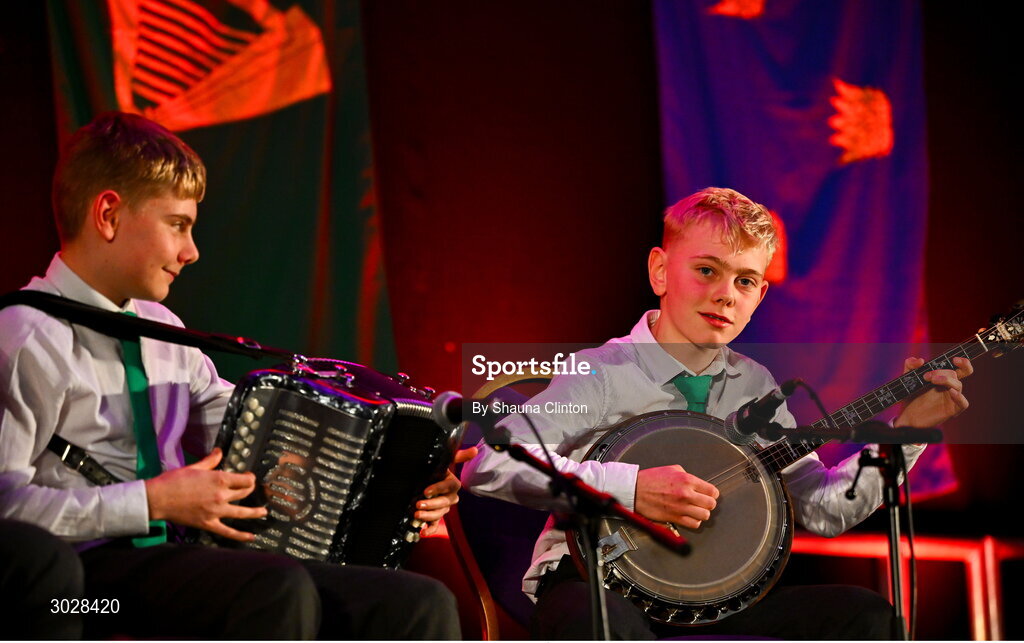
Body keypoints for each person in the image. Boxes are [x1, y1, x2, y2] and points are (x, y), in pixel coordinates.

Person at [0, 111, 471, 639]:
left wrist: (405, 476)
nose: (191, 251)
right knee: (271, 587)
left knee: (414, 602)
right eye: (177, 224)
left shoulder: (162, 329)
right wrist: (151, 502)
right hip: (81, 586)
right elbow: (6, 507)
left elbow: (259, 429)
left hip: (172, 563)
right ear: (108, 214)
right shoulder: (26, 336)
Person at [461, 187, 972, 639]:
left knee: (862, 616)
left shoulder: (755, 386)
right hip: (597, 583)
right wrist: (631, 487)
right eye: (707, 270)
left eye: (746, 281)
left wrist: (908, 431)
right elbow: (489, 463)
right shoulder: (601, 373)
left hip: (711, 606)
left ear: (759, 296)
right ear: (660, 270)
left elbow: (819, 508)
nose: (726, 294)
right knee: (597, 624)